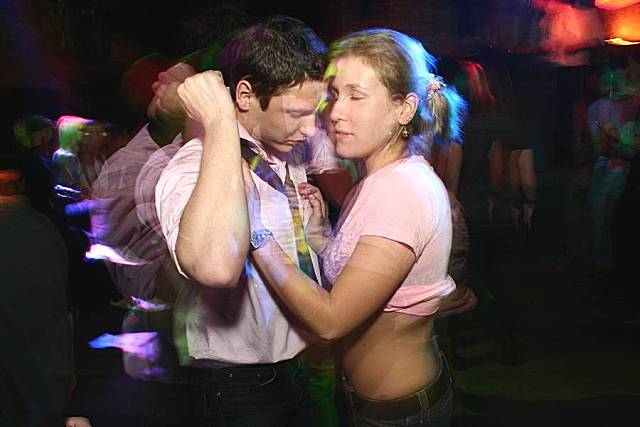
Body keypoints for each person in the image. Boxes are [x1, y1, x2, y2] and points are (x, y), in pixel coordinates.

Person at [244, 29, 458, 426]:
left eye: (356, 96)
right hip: (375, 404)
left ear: (404, 108)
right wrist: (320, 237)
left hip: (399, 415)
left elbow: (331, 320)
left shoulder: (401, 190)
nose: (335, 112)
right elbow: (363, 278)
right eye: (334, 95)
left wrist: (255, 232)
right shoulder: (376, 180)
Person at [156, 16, 341, 426]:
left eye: (315, 113)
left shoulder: (286, 149)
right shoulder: (193, 167)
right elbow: (215, 267)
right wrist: (220, 119)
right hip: (241, 387)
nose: (311, 129)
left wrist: (317, 235)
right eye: (296, 113)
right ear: (244, 95)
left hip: (305, 365)